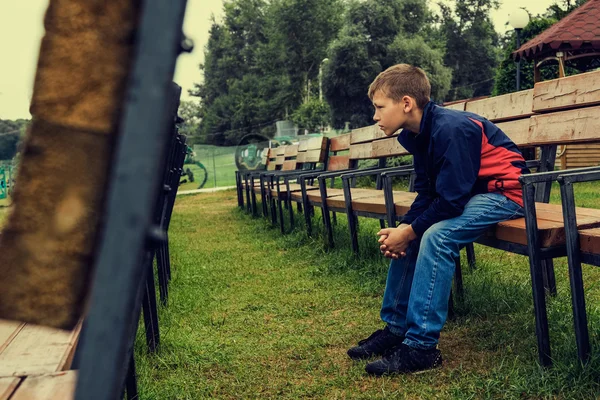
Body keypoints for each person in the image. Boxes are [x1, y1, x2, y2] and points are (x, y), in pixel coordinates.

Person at [347, 64, 528, 376]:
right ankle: (396, 328)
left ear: (406, 103)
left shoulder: (451, 129)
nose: (375, 117)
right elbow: (429, 193)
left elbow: (451, 200)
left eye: (379, 108)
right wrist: (406, 228)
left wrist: (412, 231)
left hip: (505, 196)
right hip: (472, 195)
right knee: (416, 231)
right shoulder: (419, 134)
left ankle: (421, 348)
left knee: (435, 235)